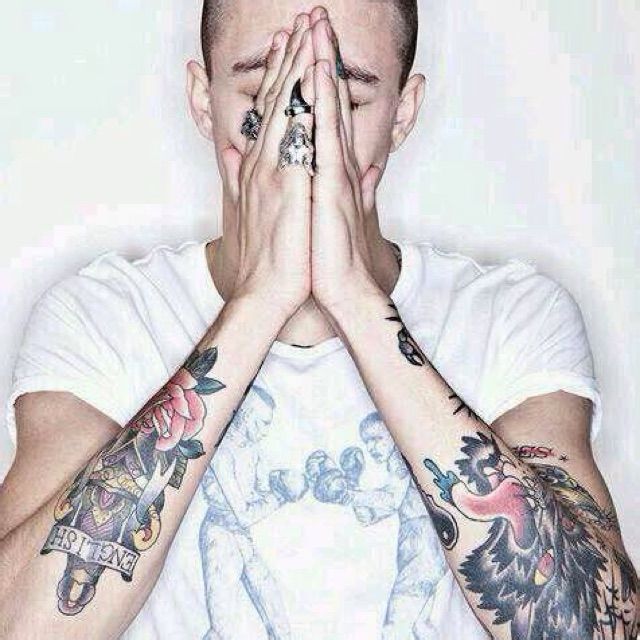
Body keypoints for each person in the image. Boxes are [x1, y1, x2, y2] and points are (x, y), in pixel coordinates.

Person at [0, 2, 637, 639]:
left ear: (402, 114)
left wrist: (354, 297)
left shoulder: (512, 319)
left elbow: (596, 629)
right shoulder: (102, 319)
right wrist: (259, 301)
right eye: (265, 92)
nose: (302, 131)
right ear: (203, 101)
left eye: (345, 101)